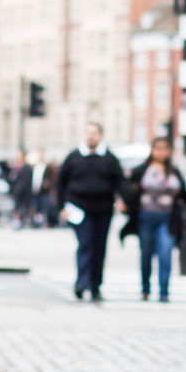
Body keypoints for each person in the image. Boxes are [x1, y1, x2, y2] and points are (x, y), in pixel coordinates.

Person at [121, 137, 186, 302]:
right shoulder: (142, 170)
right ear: (152, 150)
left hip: (167, 218)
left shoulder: (174, 171)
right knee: (146, 253)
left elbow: (184, 193)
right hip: (146, 217)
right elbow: (127, 188)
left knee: (165, 253)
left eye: (165, 148)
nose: (162, 152)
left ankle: (164, 291)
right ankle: (145, 288)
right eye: (158, 148)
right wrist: (123, 203)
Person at [56, 122, 125, 302]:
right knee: (85, 244)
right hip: (79, 208)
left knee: (99, 248)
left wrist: (123, 200)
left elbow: (120, 182)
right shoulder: (73, 157)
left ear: (100, 135)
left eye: (94, 133)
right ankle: (82, 282)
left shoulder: (109, 159)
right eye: (88, 133)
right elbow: (60, 183)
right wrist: (61, 207)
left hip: (103, 209)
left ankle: (95, 285)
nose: (90, 136)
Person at [8, 150, 34, 228]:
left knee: (25, 207)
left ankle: (28, 220)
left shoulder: (27, 167)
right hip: (17, 191)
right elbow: (11, 178)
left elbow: (27, 180)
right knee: (17, 207)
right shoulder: (16, 168)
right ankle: (18, 221)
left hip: (25, 192)